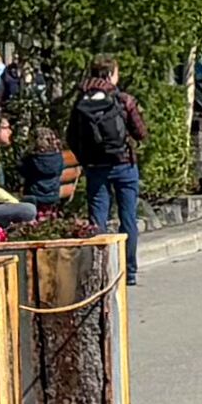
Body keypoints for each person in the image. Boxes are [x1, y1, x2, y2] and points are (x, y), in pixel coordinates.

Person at [66, 59, 149, 273]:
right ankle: (128, 270)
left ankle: (99, 271)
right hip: (124, 164)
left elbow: (71, 136)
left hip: (95, 166)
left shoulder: (80, 101)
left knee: (98, 218)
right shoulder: (123, 99)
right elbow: (141, 132)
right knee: (128, 217)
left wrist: (85, 159)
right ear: (111, 74)